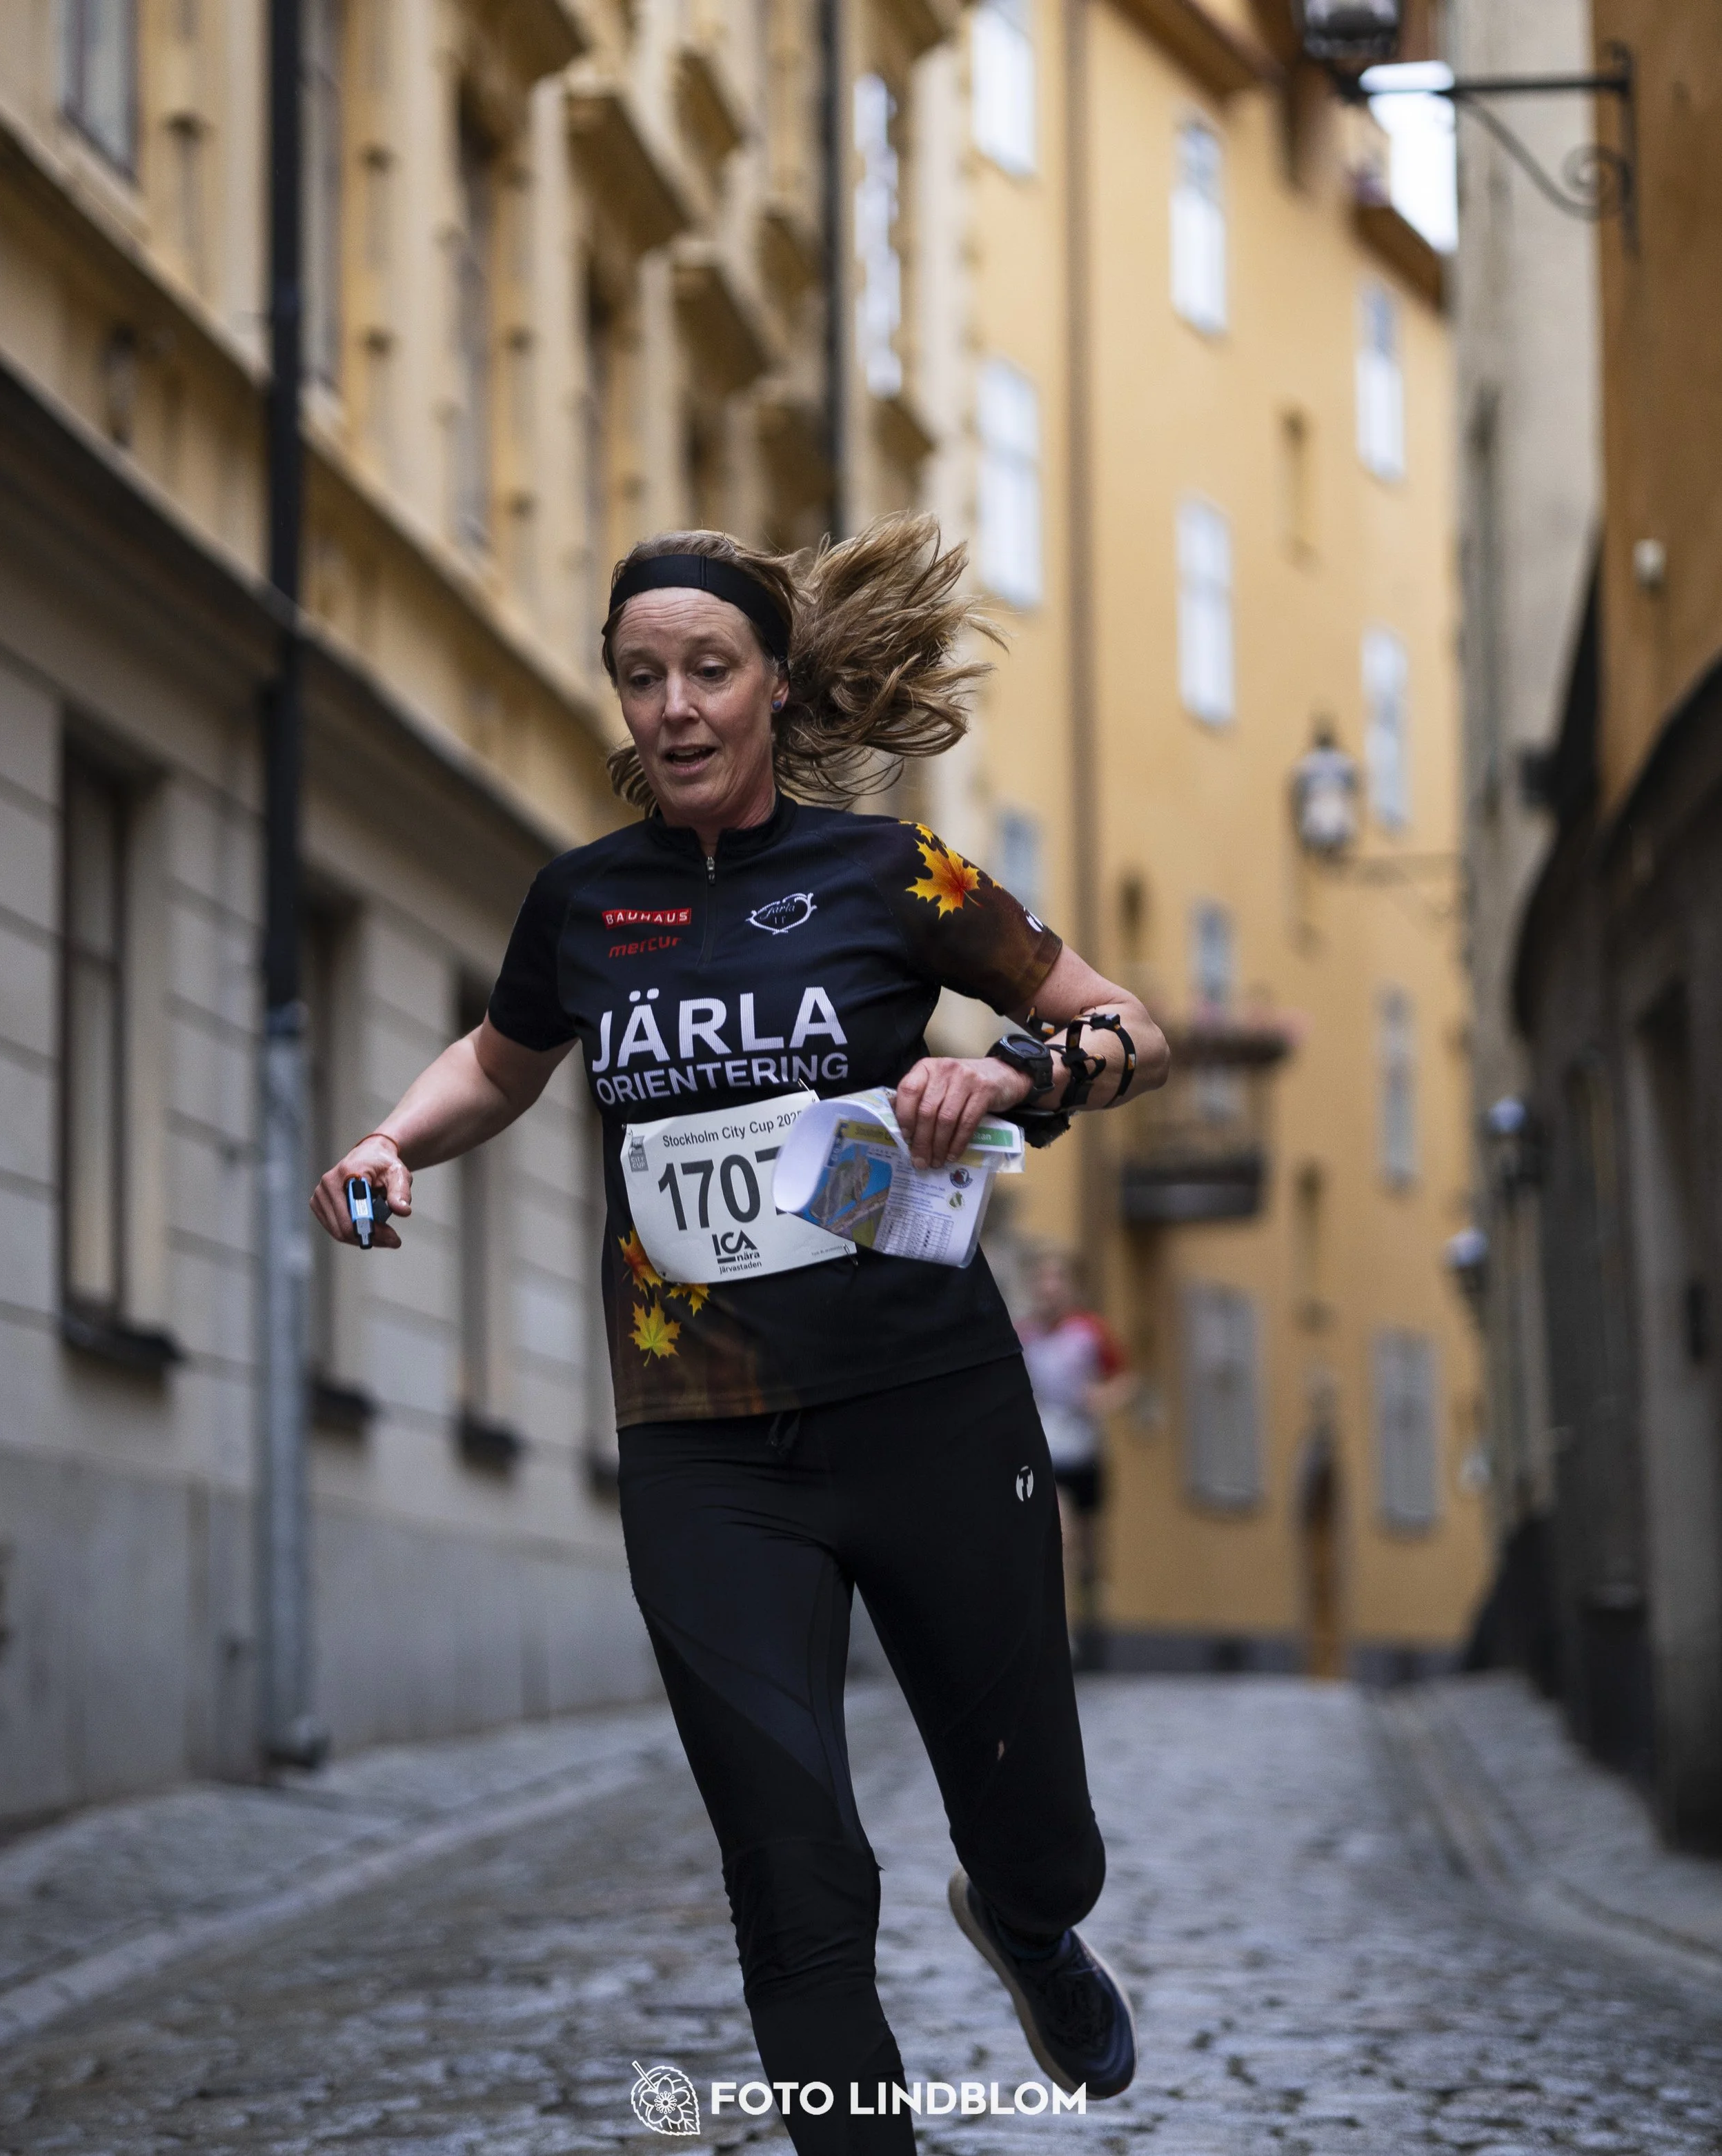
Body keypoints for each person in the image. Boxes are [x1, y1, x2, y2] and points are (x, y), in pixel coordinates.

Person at [311, 515, 1169, 2153]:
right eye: (642, 678)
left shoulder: (890, 874)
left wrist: (1009, 1074)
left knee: (1036, 1828)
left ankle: (1034, 1922)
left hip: (930, 1408)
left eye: (709, 670)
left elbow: (1131, 1025)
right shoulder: (585, 903)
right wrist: (387, 1141)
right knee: (792, 1868)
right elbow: (501, 1060)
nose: (675, 707)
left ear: (777, 682)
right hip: (704, 1451)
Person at [1016, 1252, 1134, 1666]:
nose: (1048, 1290)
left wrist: (1104, 1397)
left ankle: (1092, 1620)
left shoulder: (1090, 1332)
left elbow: (1126, 1379)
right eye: (1041, 1281)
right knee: (1059, 1537)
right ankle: (1061, 1637)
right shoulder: (1023, 1335)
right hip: (1048, 1453)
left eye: (1056, 1281)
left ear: (1069, 1288)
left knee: (1087, 1552)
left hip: (1085, 1451)